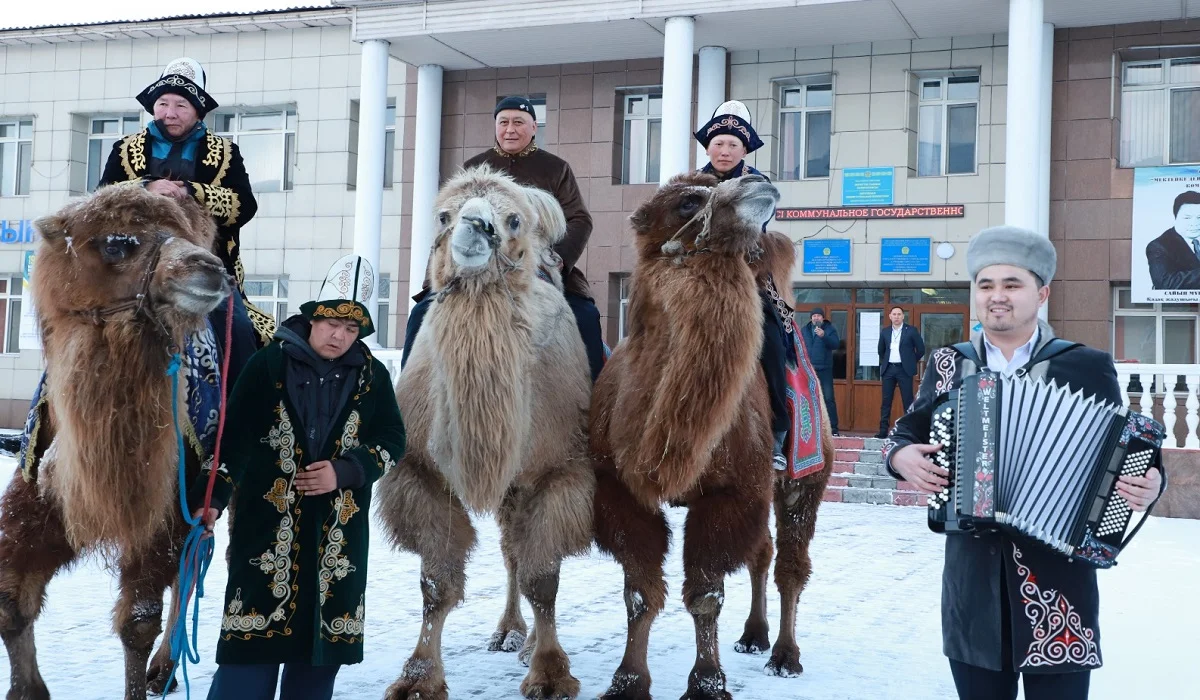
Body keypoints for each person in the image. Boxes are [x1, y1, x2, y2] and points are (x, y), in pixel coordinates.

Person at [884, 226, 1165, 700]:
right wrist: (901, 455)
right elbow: (908, 429)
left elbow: (1131, 448)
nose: (997, 297)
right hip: (972, 586)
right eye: (985, 285)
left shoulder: (1085, 365)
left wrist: (1151, 480)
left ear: (1043, 293)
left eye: (1012, 285)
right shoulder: (950, 362)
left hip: (1060, 587)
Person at [192, 255, 406, 700]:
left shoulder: (373, 377)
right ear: (312, 317)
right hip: (267, 540)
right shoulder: (268, 366)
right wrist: (211, 500)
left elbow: (392, 440)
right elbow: (234, 441)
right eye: (331, 322)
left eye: (351, 329)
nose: (339, 335)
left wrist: (347, 470)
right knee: (243, 677)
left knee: (313, 679)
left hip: (337, 549)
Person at [403, 95, 606, 382]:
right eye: (504, 122)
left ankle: (594, 405)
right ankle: (407, 396)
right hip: (475, 267)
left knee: (585, 317)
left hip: (538, 265)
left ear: (534, 127)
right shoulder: (474, 167)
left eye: (518, 122)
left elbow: (580, 219)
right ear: (496, 126)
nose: (510, 129)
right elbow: (451, 222)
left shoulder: (556, 168)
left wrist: (559, 259)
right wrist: (432, 283)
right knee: (420, 315)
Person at [99, 57, 271, 389]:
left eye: (181, 104)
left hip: (208, 270)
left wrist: (192, 191)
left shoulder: (225, 153)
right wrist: (143, 187)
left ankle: (235, 422)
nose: (170, 112)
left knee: (239, 336)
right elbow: (100, 200)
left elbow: (244, 207)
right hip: (133, 272)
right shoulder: (126, 149)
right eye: (163, 103)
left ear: (197, 111)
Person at [695, 99, 808, 464]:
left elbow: (742, 229)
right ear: (708, 147)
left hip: (747, 277)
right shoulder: (689, 183)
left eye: (733, 144)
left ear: (744, 149)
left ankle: (777, 431)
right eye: (718, 143)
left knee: (772, 342)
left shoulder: (758, 185)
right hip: (695, 278)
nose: (724, 150)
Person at [875, 306, 924, 438]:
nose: (896, 317)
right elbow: (881, 350)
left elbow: (921, 349)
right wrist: (886, 361)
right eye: (894, 314)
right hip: (889, 369)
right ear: (890, 316)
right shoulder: (885, 332)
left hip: (904, 369)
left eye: (899, 314)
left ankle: (909, 430)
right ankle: (883, 430)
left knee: (907, 400)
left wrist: (910, 361)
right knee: (886, 401)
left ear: (903, 316)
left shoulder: (911, 331)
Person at [1146, 189, 1200, 289]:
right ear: (1175, 217)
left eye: (1199, 217)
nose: (1195, 223)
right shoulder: (1159, 246)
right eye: (1187, 218)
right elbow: (1165, 282)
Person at [800, 308, 841, 436]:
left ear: (822, 318)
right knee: (808, 398)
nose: (816, 318)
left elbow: (835, 344)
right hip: (808, 369)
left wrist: (824, 336)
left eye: (818, 316)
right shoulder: (804, 330)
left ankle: (833, 428)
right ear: (811, 318)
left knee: (828, 398)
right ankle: (811, 428)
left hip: (825, 369)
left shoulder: (829, 329)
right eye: (814, 316)